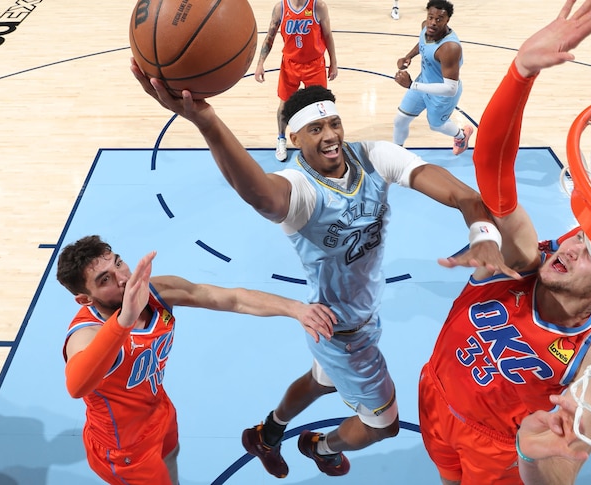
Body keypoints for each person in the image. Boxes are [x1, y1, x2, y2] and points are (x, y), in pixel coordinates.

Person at [131, 54, 513, 477]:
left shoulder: (374, 156)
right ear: (295, 138)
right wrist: (207, 122)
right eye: (315, 129)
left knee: (319, 382)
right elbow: (260, 195)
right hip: (346, 337)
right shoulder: (300, 190)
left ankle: (268, 432)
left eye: (334, 123)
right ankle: (322, 446)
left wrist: (484, 236)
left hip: (336, 318)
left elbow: (462, 195)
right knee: (382, 426)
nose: (330, 135)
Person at [417, 1, 591, 484]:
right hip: (434, 395)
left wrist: (537, 456)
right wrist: (520, 71)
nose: (570, 249)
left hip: (498, 447)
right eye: (579, 240)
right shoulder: (525, 261)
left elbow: (561, 462)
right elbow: (494, 179)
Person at [58, 235, 337, 484]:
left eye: (118, 264)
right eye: (104, 280)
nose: (122, 278)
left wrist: (297, 309)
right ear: (85, 300)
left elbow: (233, 299)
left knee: (171, 464)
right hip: (124, 449)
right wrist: (124, 320)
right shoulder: (88, 333)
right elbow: (77, 385)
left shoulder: (155, 292)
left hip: (160, 413)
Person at [254, 0, 338, 162]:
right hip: (290, 64)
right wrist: (260, 64)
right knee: (284, 105)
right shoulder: (280, 8)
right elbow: (270, 37)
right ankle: (281, 138)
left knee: (319, 107)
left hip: (314, 64)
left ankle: (318, 142)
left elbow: (327, 35)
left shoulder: (318, 6)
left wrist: (333, 62)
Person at [393, 0, 473, 156]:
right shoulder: (426, 27)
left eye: (439, 19)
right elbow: (422, 43)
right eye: (431, 17)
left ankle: (462, 136)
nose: (433, 22)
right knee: (400, 120)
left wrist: (411, 85)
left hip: (442, 94)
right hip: (423, 82)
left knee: (436, 126)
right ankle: (396, 154)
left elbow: (450, 89)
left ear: (447, 20)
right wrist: (408, 57)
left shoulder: (450, 48)